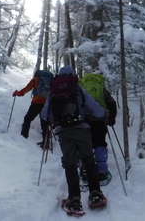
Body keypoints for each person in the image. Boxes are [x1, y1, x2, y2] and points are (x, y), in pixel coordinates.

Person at [41, 66, 108, 216]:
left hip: (64, 132)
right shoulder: (78, 89)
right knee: (88, 160)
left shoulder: (54, 91)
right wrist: (103, 113)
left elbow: (45, 114)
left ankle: (74, 199)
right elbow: (94, 108)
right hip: (82, 129)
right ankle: (95, 194)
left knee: (70, 164)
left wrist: (54, 122)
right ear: (73, 75)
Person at [79, 73, 117, 185]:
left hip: (84, 120)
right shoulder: (101, 87)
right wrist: (111, 119)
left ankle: (85, 170)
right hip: (100, 120)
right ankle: (102, 171)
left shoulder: (82, 86)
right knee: (100, 143)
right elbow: (112, 103)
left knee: (86, 145)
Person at [12, 70, 53, 147]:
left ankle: (23, 137)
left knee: (28, 118)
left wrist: (17, 93)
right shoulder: (51, 80)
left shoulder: (36, 79)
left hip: (36, 102)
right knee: (44, 123)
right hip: (47, 104)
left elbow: (26, 89)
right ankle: (46, 143)